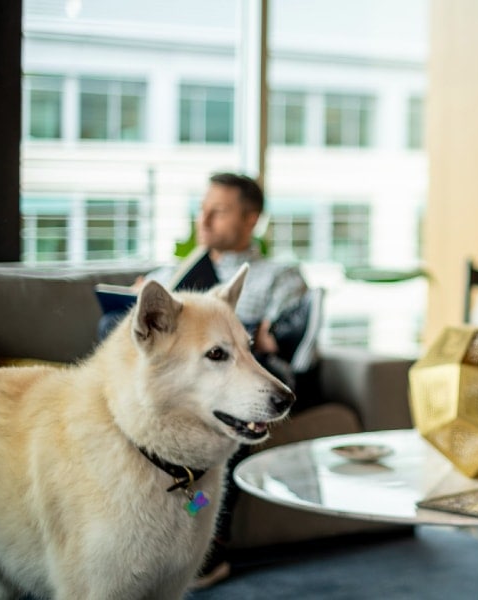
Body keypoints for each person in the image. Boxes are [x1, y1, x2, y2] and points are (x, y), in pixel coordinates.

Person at [148, 172, 310, 587]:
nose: (204, 221)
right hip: (189, 372)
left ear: (250, 219)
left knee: (231, 417)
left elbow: (287, 337)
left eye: (217, 212)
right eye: (202, 211)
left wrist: (239, 332)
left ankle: (211, 541)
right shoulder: (176, 272)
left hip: (256, 366)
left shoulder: (278, 274)